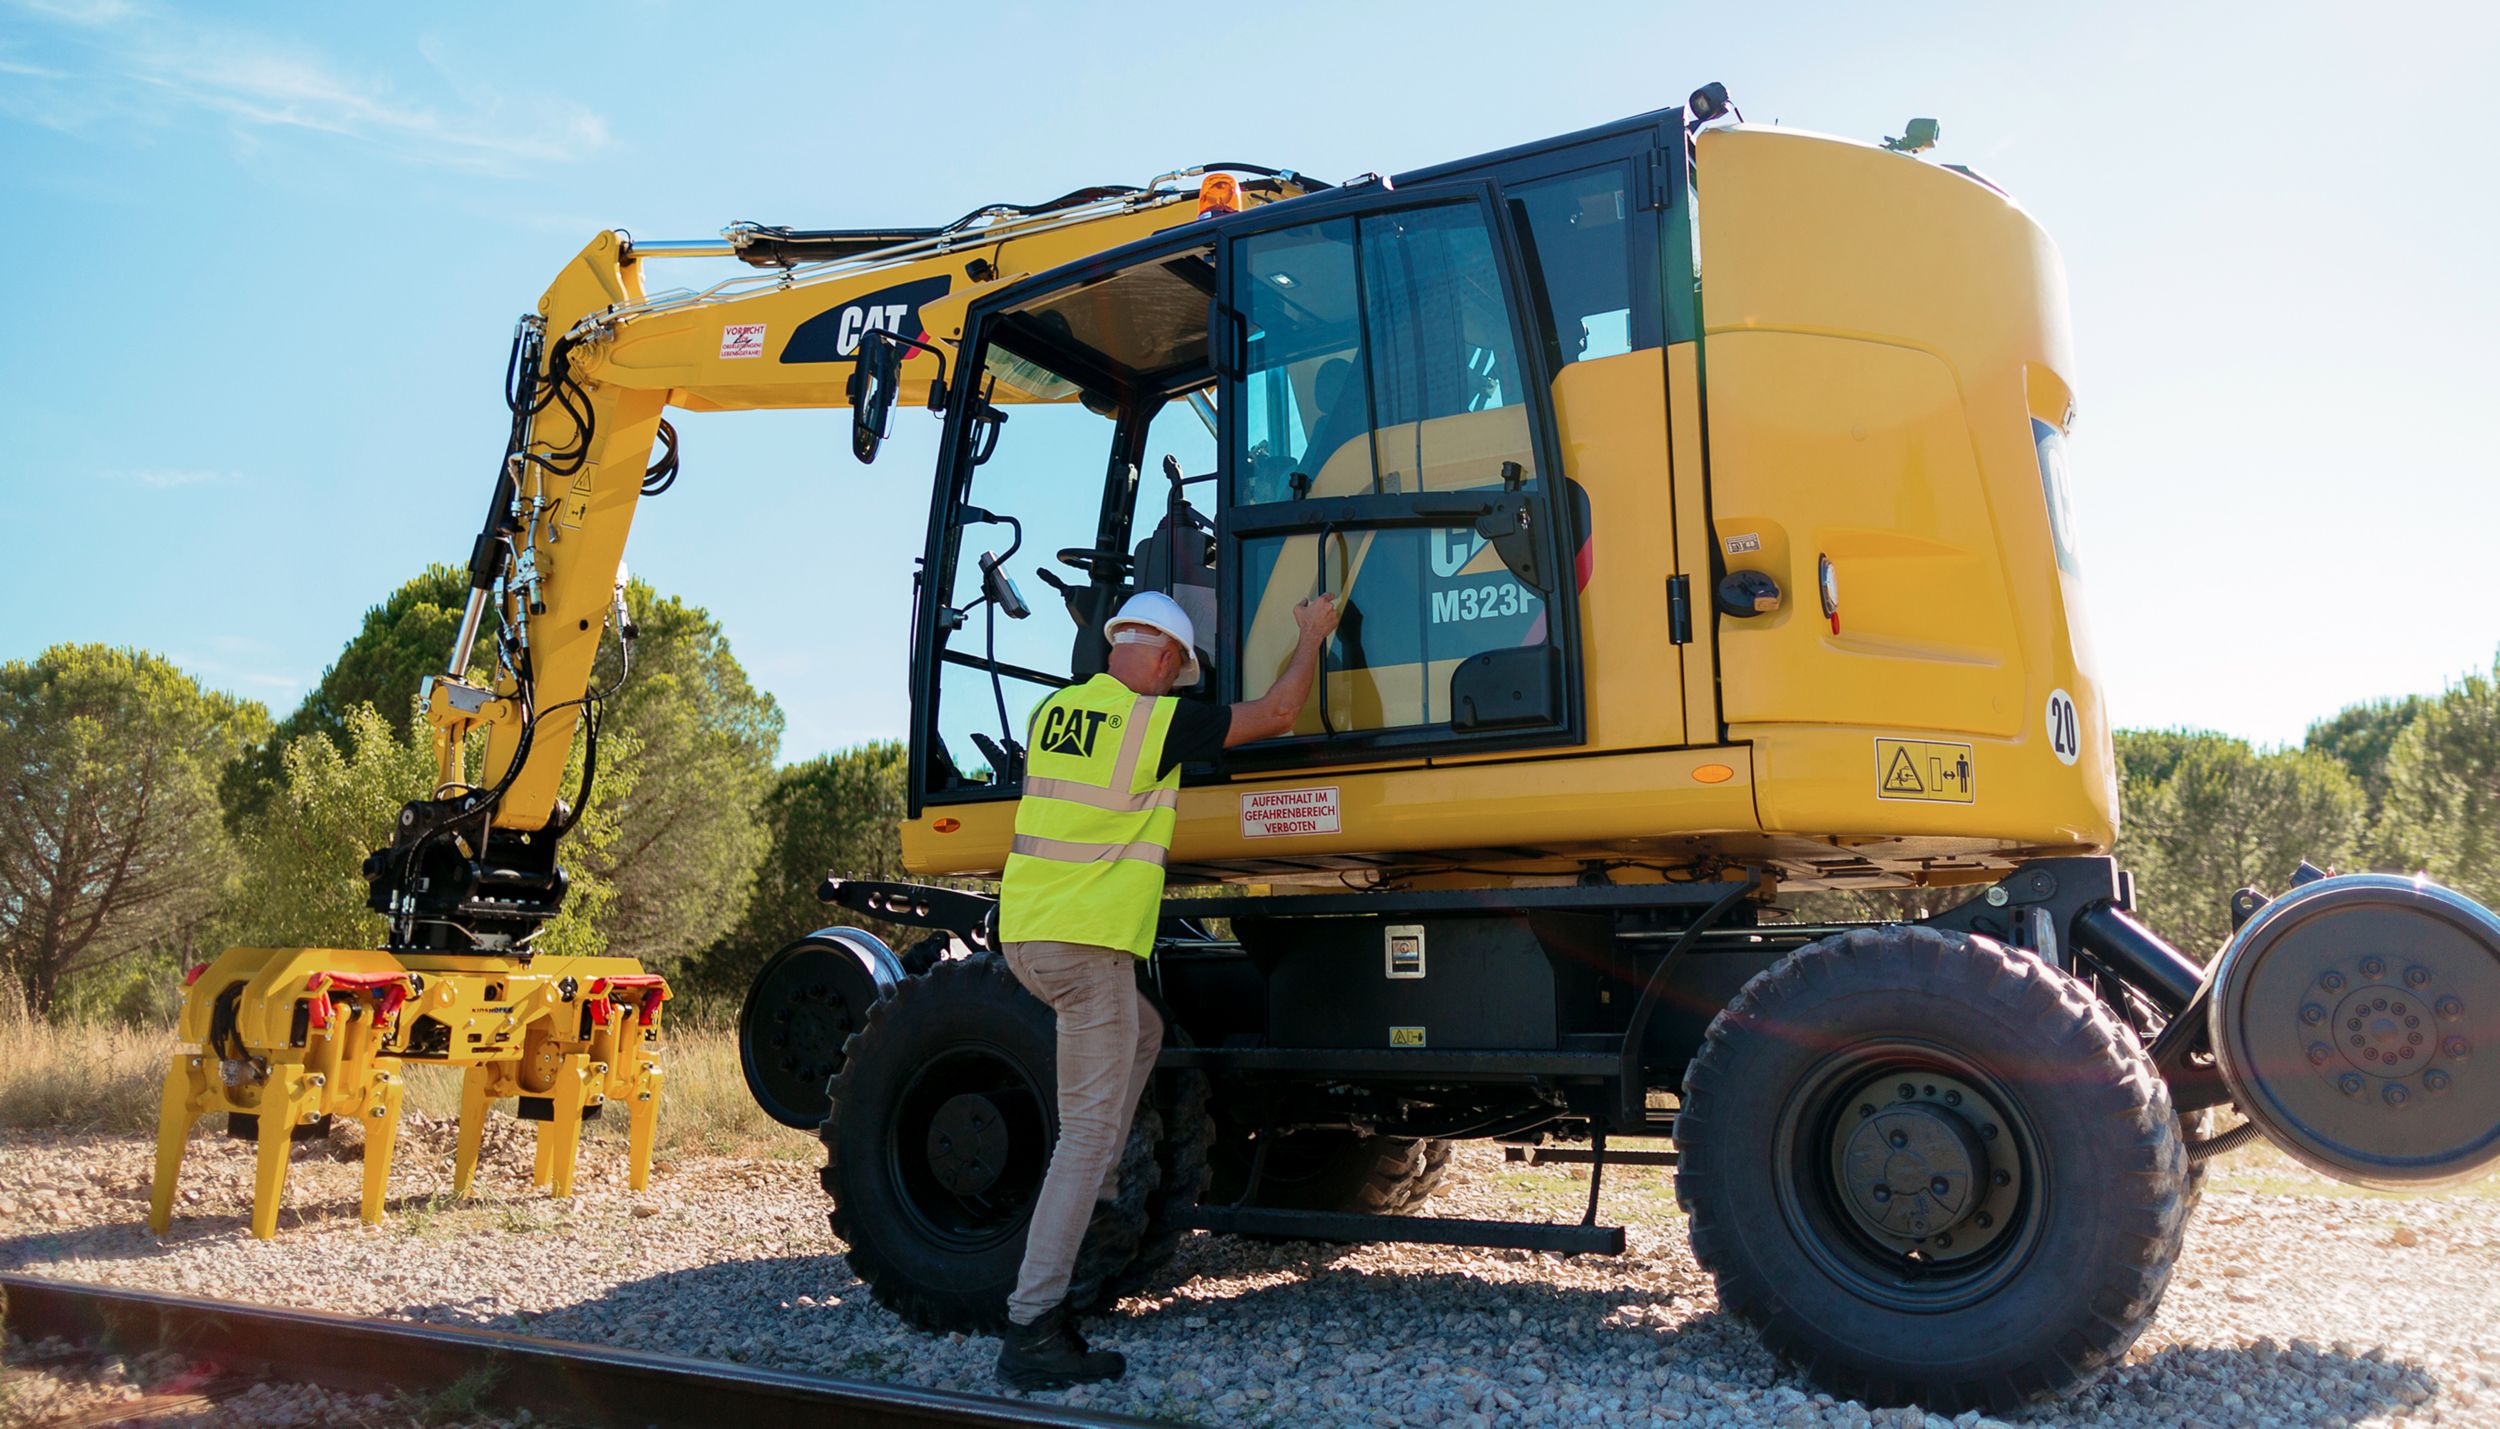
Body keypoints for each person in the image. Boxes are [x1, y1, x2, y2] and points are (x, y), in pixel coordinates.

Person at [993, 587, 1341, 1390]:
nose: (1178, 682)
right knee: (1080, 1140)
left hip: (1030, 936)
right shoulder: (1152, 721)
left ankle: (1105, 1184)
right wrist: (1311, 633)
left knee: (1143, 1036)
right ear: (1161, 657)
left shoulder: (1056, 713)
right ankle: (1032, 1327)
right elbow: (1281, 710)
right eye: (1180, 669)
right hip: (1086, 949)